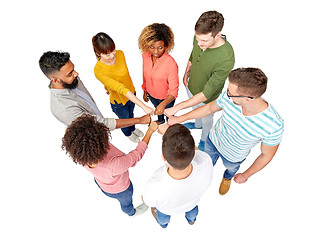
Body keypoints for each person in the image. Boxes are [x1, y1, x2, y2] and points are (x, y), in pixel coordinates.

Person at [168, 68, 284, 195]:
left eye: (230, 93)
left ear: (248, 98)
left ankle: (227, 177)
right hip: (213, 141)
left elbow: (266, 155)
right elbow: (210, 108)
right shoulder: (230, 97)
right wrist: (180, 118)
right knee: (205, 165)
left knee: (230, 169)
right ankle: (202, 176)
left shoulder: (273, 126)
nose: (227, 94)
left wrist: (246, 175)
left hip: (234, 157)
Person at [62, 114, 158, 217]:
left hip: (101, 183)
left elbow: (69, 132)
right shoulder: (114, 165)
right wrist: (150, 131)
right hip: (121, 190)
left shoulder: (82, 154)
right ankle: (131, 213)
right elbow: (137, 154)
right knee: (126, 203)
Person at [164, 10, 235, 151]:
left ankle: (204, 138)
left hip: (206, 97)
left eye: (204, 41)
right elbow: (193, 54)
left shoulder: (226, 58)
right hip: (192, 86)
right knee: (195, 109)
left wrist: (177, 107)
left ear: (218, 35)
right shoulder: (200, 38)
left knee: (207, 119)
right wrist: (186, 72)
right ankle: (197, 124)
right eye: (197, 39)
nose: (199, 43)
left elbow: (206, 94)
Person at [39, 51, 150, 132]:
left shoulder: (70, 80)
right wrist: (139, 120)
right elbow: (102, 123)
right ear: (54, 80)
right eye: (70, 74)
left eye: (73, 69)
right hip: (95, 133)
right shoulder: (63, 109)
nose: (76, 74)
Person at [142, 124, 213, 228]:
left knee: (162, 218)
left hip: (166, 210)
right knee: (192, 213)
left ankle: (164, 225)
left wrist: (169, 136)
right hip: (192, 203)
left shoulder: (155, 184)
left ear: (163, 157)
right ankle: (191, 221)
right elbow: (195, 151)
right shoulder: (205, 160)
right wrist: (172, 135)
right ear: (193, 152)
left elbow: (147, 201)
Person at [92, 32, 154, 143]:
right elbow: (120, 88)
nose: (112, 56)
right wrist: (144, 106)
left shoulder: (120, 54)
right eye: (107, 54)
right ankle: (128, 133)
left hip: (132, 93)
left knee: (132, 115)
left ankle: (133, 128)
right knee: (125, 120)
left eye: (113, 51)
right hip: (119, 102)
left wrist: (108, 87)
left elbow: (123, 76)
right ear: (98, 53)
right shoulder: (98, 70)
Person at [138, 23, 179, 125]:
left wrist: (164, 104)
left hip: (166, 99)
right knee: (158, 110)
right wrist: (145, 90)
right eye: (152, 47)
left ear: (166, 45)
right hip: (152, 95)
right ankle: (161, 120)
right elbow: (145, 74)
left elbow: (173, 91)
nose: (155, 51)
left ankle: (170, 124)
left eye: (160, 48)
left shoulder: (171, 64)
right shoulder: (145, 56)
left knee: (169, 114)